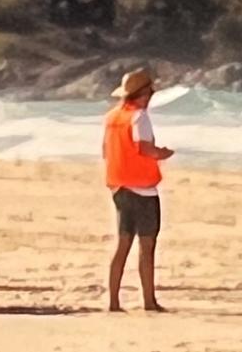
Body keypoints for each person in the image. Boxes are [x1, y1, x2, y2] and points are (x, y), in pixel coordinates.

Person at [103, 68, 174, 312]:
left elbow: (106, 151)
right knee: (147, 246)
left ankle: (113, 301)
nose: (152, 95)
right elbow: (145, 149)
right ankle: (149, 301)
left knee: (122, 245)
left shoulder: (112, 117)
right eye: (150, 91)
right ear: (142, 94)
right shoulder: (139, 117)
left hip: (119, 186)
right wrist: (162, 153)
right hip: (143, 189)